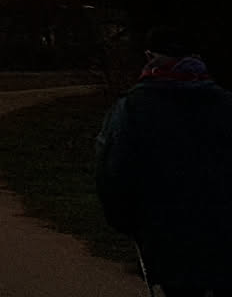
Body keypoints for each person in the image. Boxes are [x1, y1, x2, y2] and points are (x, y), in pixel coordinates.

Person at [96, 28, 232, 295]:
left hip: (165, 235)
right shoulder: (226, 104)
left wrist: (126, 222)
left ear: (149, 57)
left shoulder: (132, 108)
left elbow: (112, 173)